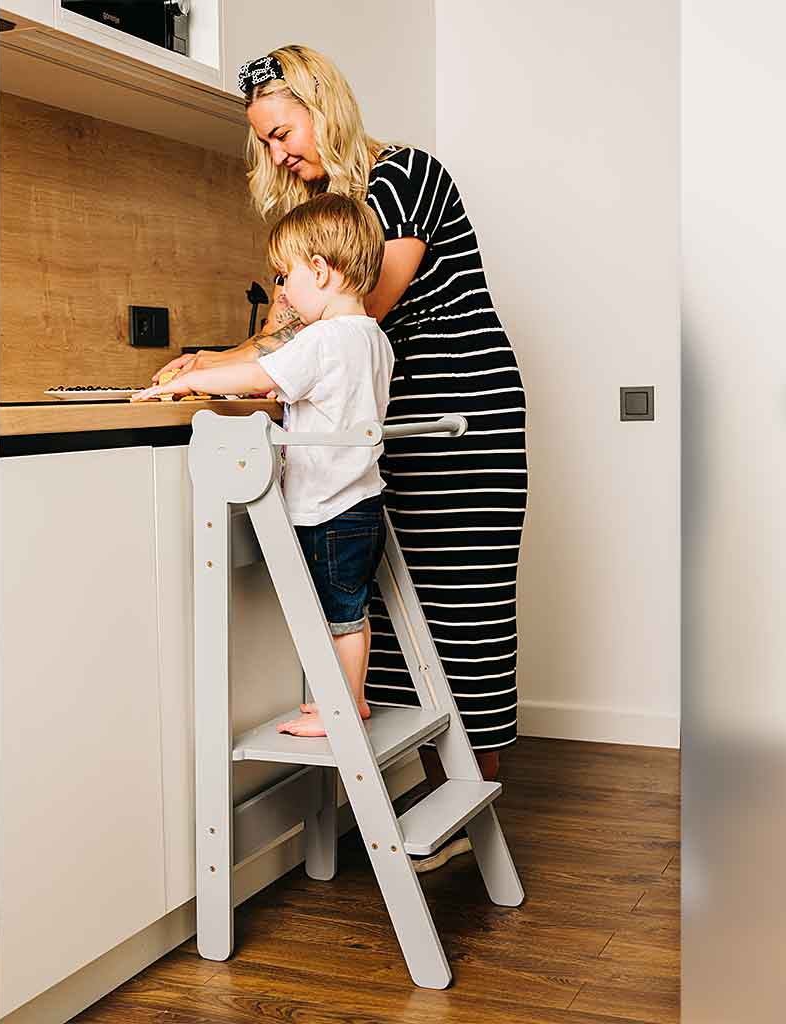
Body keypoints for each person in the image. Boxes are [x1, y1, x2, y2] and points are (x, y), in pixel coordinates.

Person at [155, 45, 527, 870]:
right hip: (380, 431)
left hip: (461, 423)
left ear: (324, 107)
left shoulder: (402, 180)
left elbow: (349, 312)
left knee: (464, 607)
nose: (278, 153)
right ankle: (416, 797)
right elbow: (294, 330)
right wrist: (218, 359)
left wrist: (224, 365)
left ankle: (468, 800)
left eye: (283, 132)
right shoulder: (328, 214)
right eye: (264, 142)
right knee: (381, 612)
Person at [136, 194, 393, 738]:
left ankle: (343, 708)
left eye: (284, 276)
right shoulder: (373, 337)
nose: (282, 291)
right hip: (363, 499)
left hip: (327, 506)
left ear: (320, 271)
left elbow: (259, 374)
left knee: (338, 616)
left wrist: (191, 380)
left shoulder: (323, 338)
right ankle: (353, 698)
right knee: (352, 608)